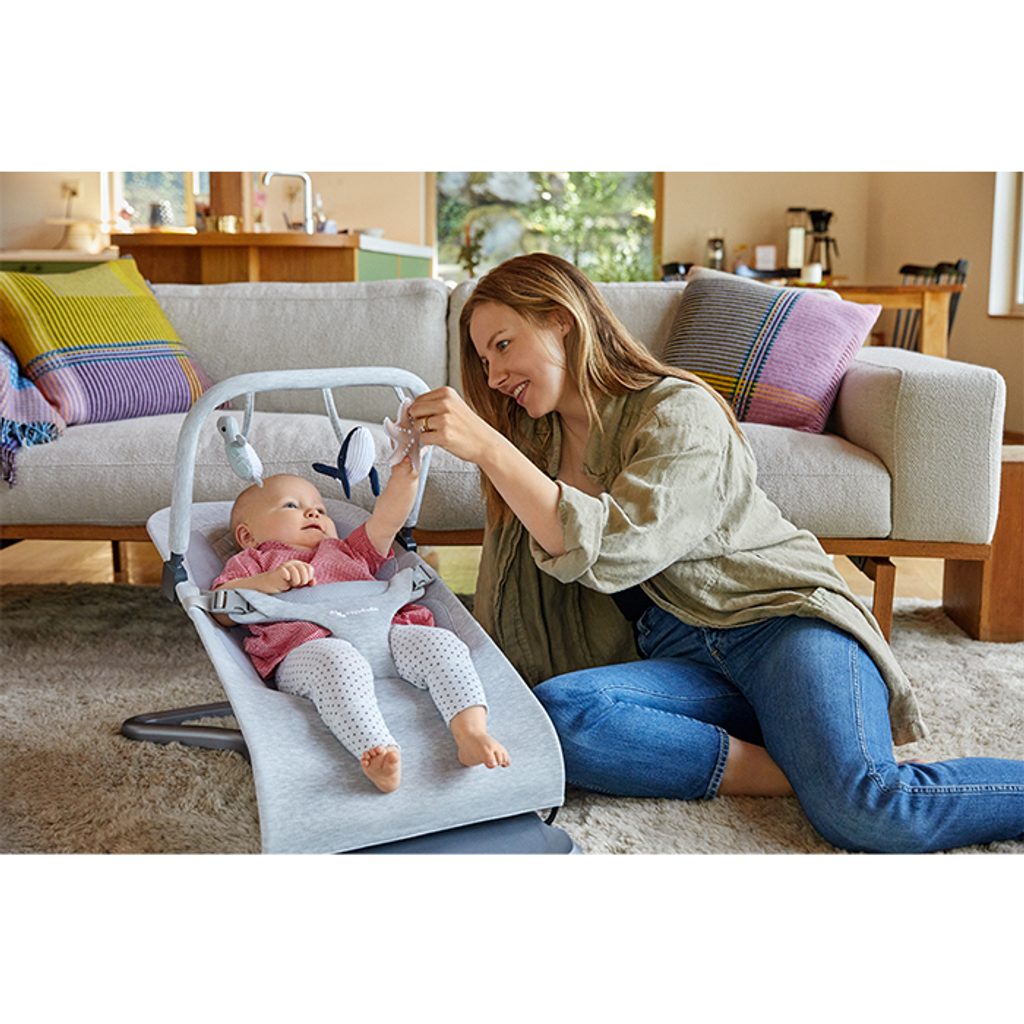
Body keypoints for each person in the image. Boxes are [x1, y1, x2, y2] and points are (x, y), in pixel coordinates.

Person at [407, 251, 1024, 852]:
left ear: (562, 321)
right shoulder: (533, 443)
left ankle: (825, 776)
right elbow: (509, 588)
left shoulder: (679, 410)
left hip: (778, 624)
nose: (493, 376)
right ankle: (788, 771)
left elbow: (618, 546)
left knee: (867, 808)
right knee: (564, 714)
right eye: (483, 359)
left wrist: (490, 449)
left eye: (503, 345)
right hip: (678, 652)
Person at [212, 468, 509, 793]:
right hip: (310, 649)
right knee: (336, 662)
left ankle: (471, 731)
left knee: (441, 643)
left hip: (387, 635)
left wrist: (407, 474)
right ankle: (376, 749)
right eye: (291, 506)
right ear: (247, 536)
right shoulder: (254, 562)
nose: (313, 512)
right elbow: (222, 608)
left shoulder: (348, 550)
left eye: (320, 509)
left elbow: (387, 520)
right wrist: (266, 582)